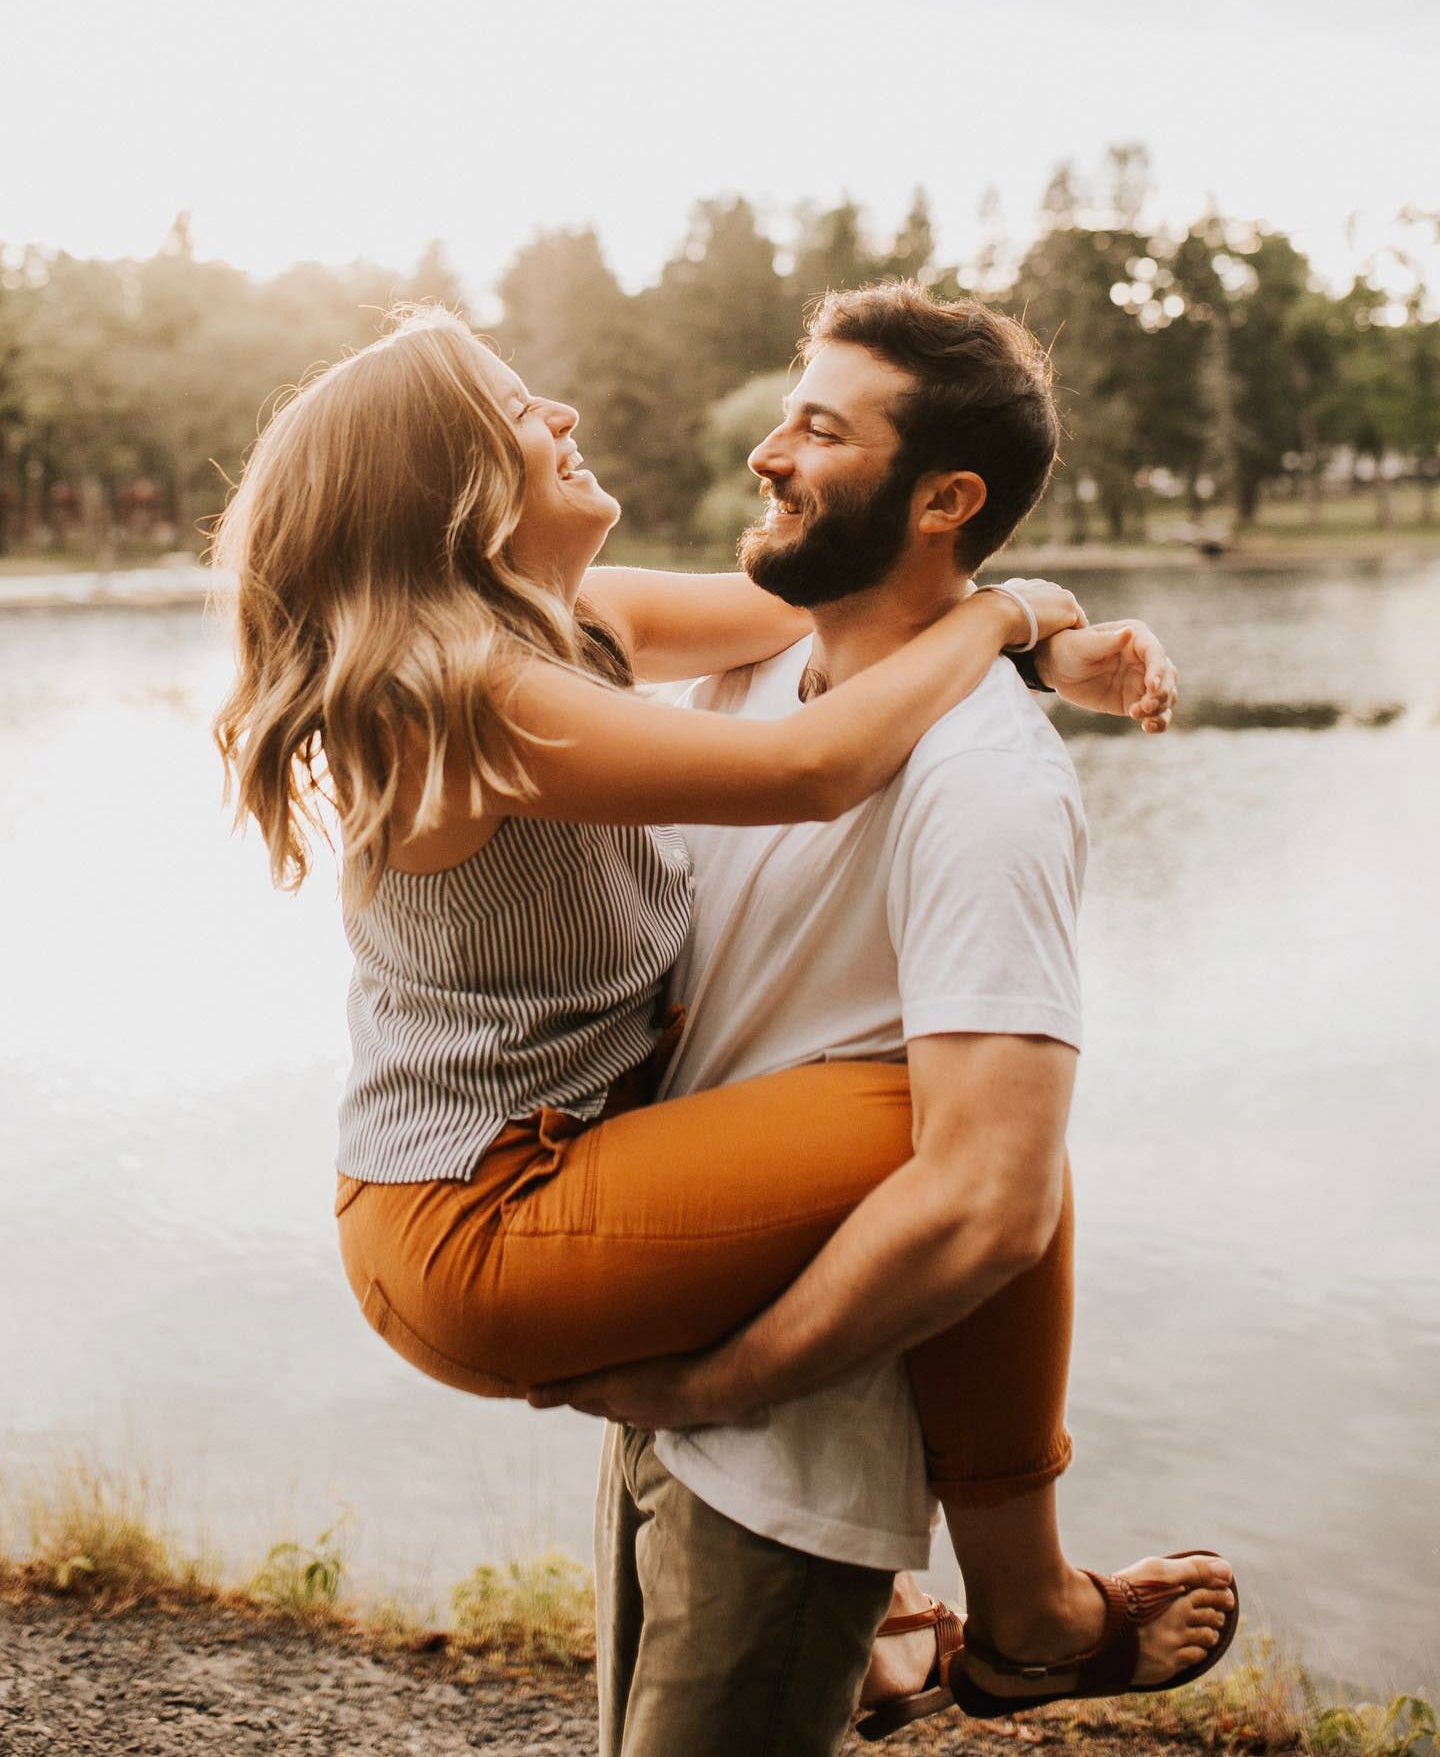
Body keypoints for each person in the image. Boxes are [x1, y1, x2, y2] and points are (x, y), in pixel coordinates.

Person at [210, 297, 1233, 1753]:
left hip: (539, 1168)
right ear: (447, 490)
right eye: (519, 410)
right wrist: (1015, 613)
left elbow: (835, 598)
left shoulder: (580, 623)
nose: (561, 416)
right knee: (971, 1143)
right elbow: (818, 765)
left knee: (979, 1143)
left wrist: (1017, 651)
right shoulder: (467, 697)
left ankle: (899, 1620)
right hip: (476, 1217)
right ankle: (1030, 1611)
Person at [526, 283, 1239, 1753]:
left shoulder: (985, 786)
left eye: (817, 429)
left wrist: (723, 1384)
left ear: (945, 497)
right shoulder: (752, 675)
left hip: (794, 1448)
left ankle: (979, 1622)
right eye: (786, 413)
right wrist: (1029, 620)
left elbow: (990, 1201)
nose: (766, 453)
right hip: (674, 1403)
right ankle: (929, 1638)